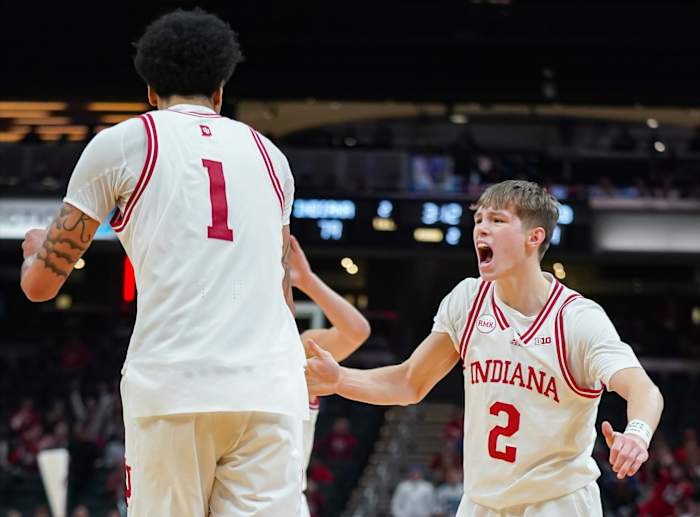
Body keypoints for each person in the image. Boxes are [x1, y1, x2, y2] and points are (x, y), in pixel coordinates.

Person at [20, 8, 307, 516]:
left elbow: (42, 285)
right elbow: (281, 290)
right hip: (269, 388)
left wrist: (32, 255)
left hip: (175, 386)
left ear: (150, 90)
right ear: (221, 88)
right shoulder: (271, 158)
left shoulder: (125, 142)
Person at [306, 180, 664, 516]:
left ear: (533, 237)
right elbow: (409, 382)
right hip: (481, 503)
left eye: (497, 220)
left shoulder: (577, 320)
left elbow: (643, 390)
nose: (481, 228)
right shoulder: (468, 300)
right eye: (478, 220)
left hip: (557, 504)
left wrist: (636, 435)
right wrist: (339, 379)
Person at [287, 236, 370, 517]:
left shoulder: (298, 350)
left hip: (282, 500)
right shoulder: (224, 353)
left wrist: (307, 281)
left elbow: (356, 331)